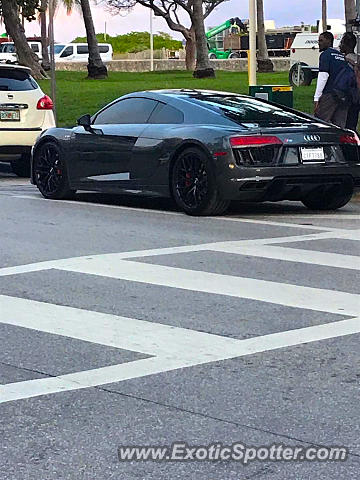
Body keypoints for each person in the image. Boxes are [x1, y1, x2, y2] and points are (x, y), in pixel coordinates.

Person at [314, 31, 349, 128]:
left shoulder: (326, 55)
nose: (319, 43)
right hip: (344, 94)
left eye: (321, 40)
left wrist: (317, 98)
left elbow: (323, 77)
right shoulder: (342, 56)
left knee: (320, 123)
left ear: (329, 41)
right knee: (340, 126)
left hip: (329, 94)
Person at [339, 32, 359, 131]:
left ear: (346, 45)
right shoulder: (357, 59)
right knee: (353, 122)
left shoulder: (344, 60)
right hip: (356, 96)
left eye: (341, 43)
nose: (339, 45)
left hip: (346, 95)